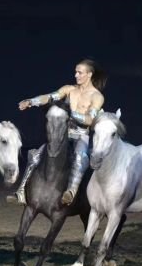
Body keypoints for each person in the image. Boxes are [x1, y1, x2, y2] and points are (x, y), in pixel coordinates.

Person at [6, 59, 106, 206]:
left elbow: (90, 120)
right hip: (62, 135)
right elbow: (49, 97)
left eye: (80, 72)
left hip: (81, 136)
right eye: (76, 72)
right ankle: (21, 193)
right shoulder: (69, 89)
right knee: (36, 156)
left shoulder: (96, 96)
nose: (76, 75)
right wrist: (31, 101)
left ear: (89, 74)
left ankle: (71, 192)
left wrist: (71, 114)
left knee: (80, 158)